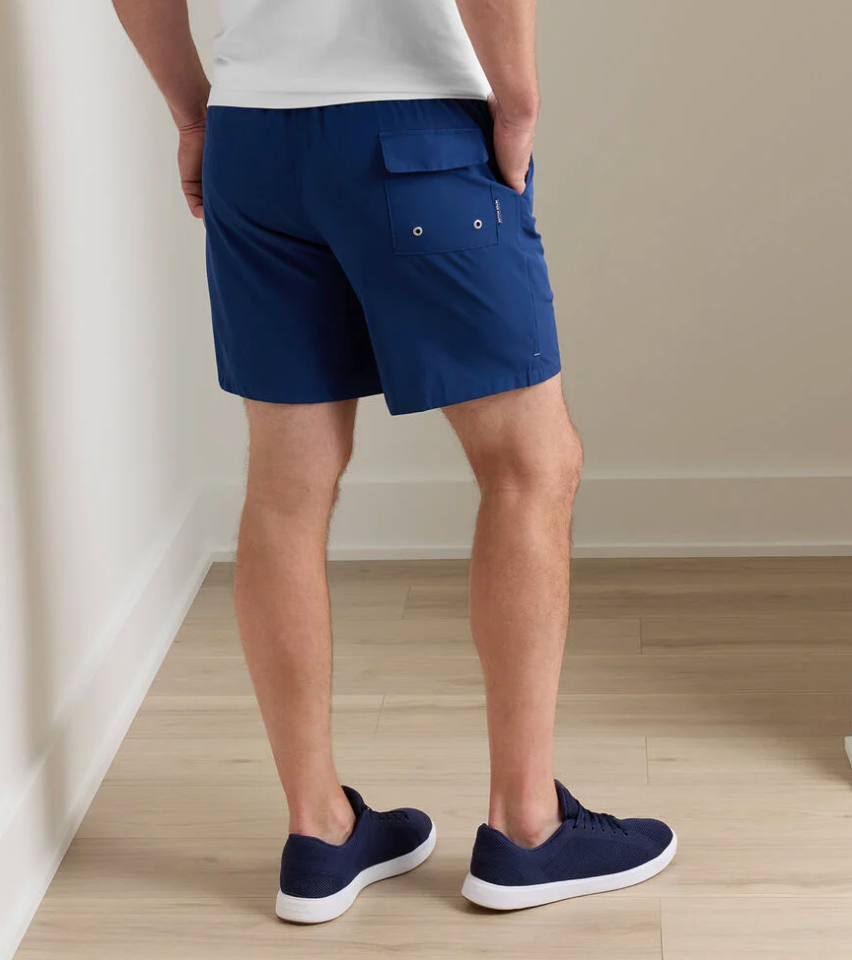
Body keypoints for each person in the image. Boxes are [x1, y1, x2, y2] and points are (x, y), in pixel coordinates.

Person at [112, 0, 676, 925]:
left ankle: (319, 833)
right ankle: (529, 829)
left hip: (252, 139)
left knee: (285, 484)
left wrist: (193, 113)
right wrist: (517, 104)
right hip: (415, 124)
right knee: (531, 465)